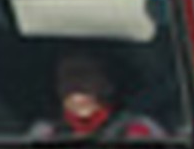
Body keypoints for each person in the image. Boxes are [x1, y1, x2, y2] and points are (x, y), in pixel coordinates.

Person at [35, 49, 164, 140]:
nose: (74, 83)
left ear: (108, 85)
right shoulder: (44, 134)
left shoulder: (139, 130)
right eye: (67, 76)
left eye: (83, 74)